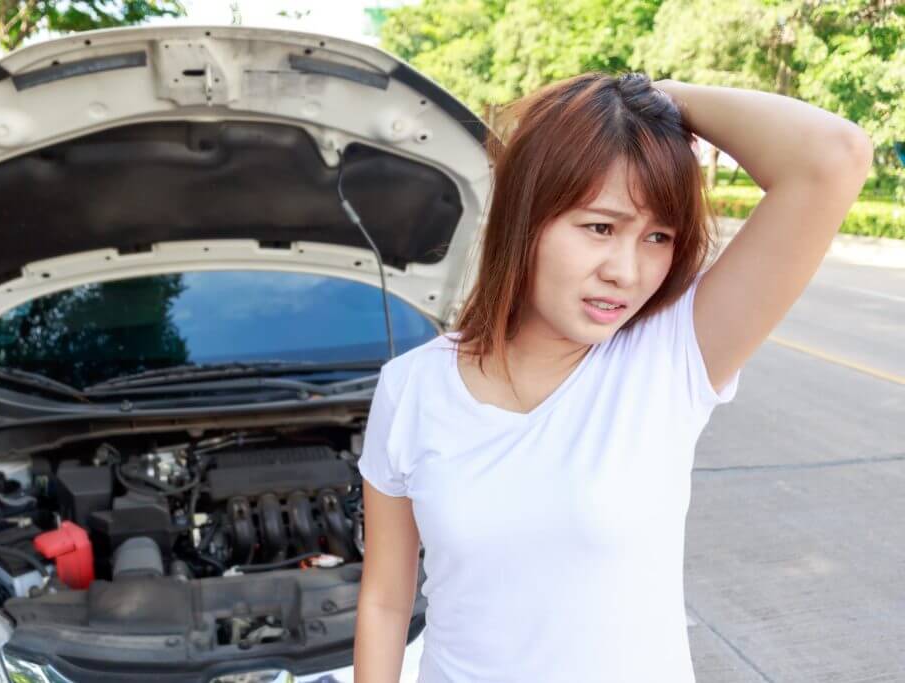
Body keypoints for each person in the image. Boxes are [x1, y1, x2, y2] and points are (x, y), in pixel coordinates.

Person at [352, 72, 872, 682]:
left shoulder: (672, 357)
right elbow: (386, 603)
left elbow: (833, 157)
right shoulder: (411, 387)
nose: (626, 271)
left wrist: (652, 99)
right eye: (600, 227)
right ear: (526, 216)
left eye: (657, 237)